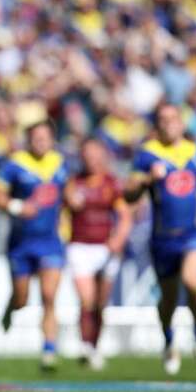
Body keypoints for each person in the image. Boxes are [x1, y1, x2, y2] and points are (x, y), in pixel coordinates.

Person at [124, 103, 196, 375]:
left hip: (193, 233)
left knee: (193, 281)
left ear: (181, 123)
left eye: (173, 119)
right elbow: (129, 194)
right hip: (162, 239)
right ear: (156, 125)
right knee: (168, 299)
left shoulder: (195, 153)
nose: (168, 124)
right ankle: (169, 341)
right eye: (162, 120)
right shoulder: (147, 156)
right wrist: (147, 179)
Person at [0, 120, 68, 371]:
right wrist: (16, 206)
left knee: (48, 296)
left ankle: (49, 350)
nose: (40, 142)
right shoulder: (15, 164)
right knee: (23, 298)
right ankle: (11, 308)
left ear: (52, 139)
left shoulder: (62, 163)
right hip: (21, 243)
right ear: (28, 140)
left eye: (45, 137)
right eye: (36, 138)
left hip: (50, 242)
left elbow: (70, 192)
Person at [64, 138, 132, 370]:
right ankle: (85, 345)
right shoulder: (73, 182)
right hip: (80, 246)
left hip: (106, 248)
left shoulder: (112, 183)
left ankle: (95, 346)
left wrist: (118, 239)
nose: (91, 161)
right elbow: (62, 211)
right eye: (87, 156)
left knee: (101, 304)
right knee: (87, 300)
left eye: (95, 156)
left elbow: (124, 216)